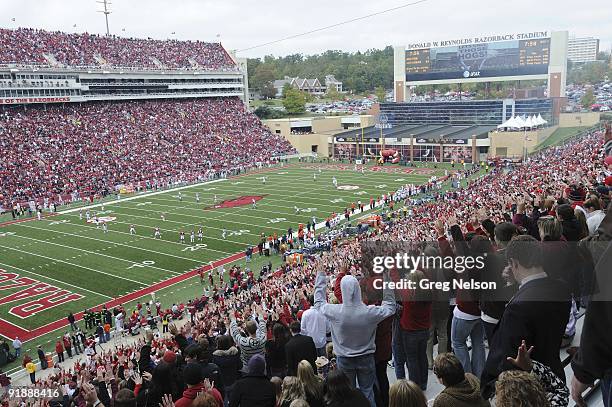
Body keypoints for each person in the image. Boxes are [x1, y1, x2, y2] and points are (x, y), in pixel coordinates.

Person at [481, 235, 571, 399]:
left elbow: (509, 358)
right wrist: (513, 283)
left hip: (528, 388)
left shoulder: (517, 308)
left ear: (514, 263)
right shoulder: (562, 287)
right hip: (553, 371)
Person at [314, 264, 395, 405]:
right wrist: (387, 280)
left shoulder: (336, 312)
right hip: (366, 357)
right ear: (357, 289)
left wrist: (321, 276)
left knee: (348, 395)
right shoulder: (369, 312)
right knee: (368, 392)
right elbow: (390, 307)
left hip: (345, 359)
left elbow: (319, 303)